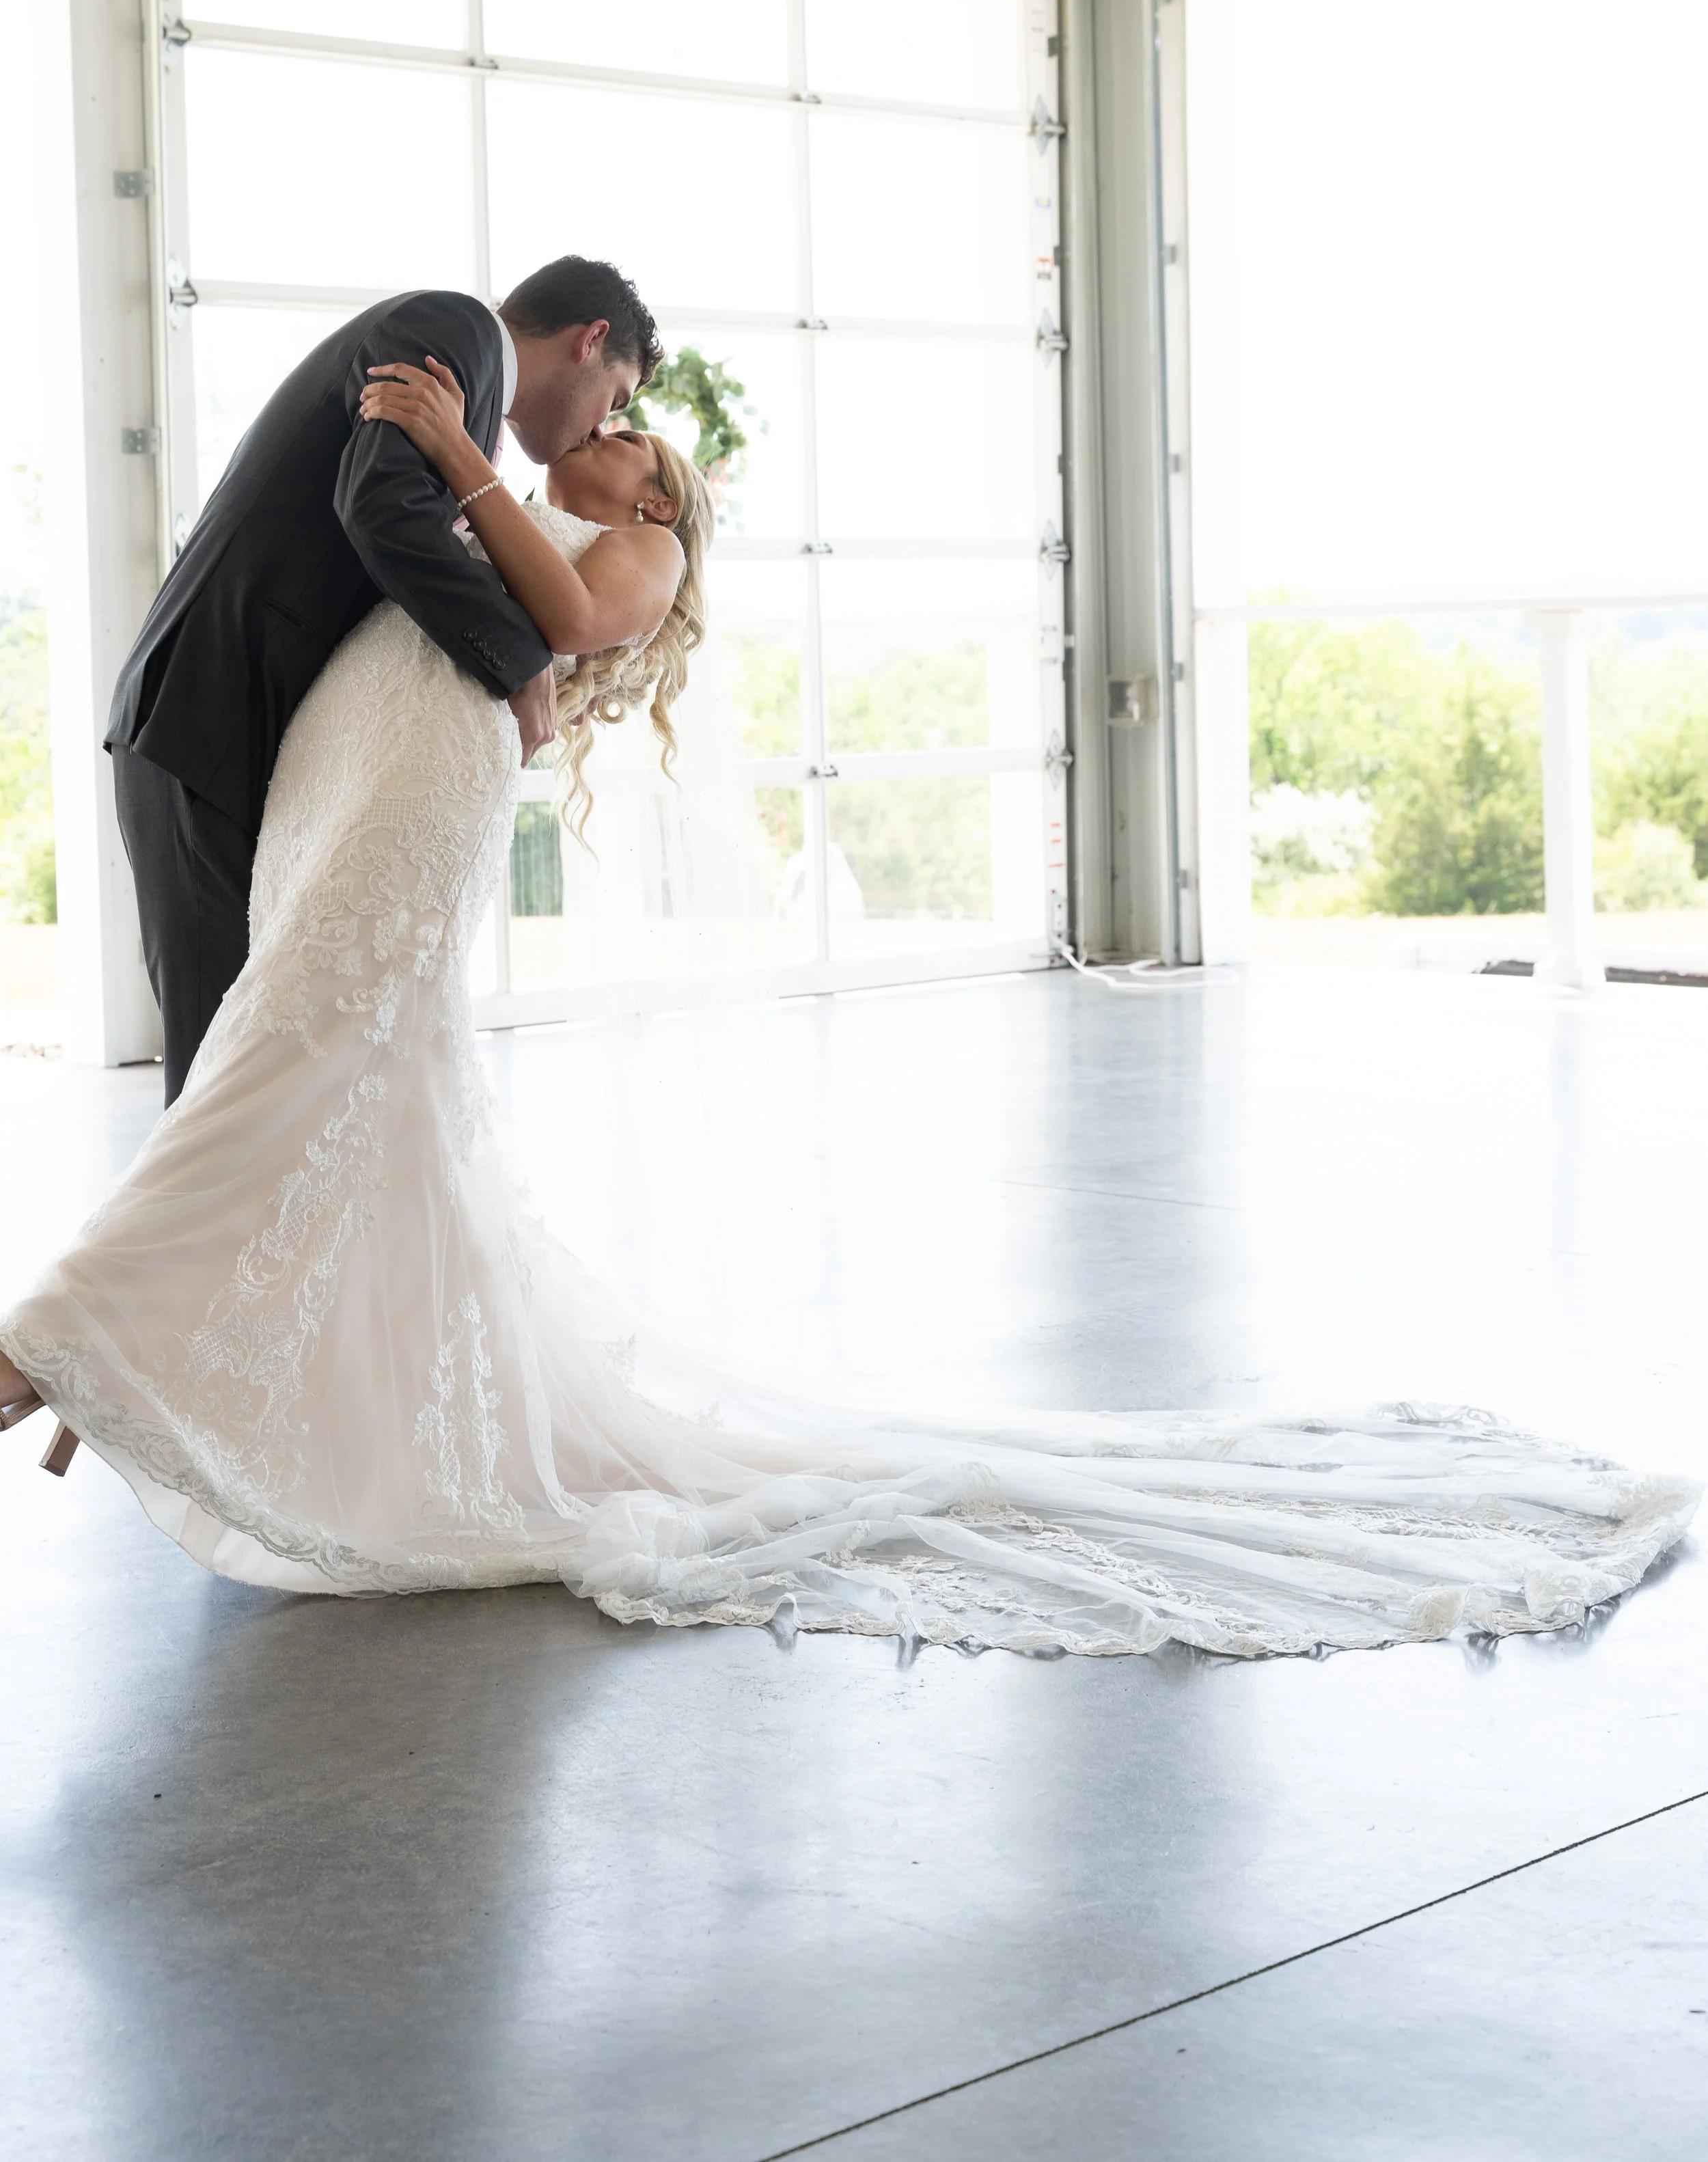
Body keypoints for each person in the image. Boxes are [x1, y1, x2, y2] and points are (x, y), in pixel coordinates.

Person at [0, 372, 1696, 1657]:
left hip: (415, 775)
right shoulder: (532, 510)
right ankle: (161, 1354)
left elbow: (568, 620)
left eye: (630, 430)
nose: (600, 428)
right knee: (332, 1076)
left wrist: (453, 454)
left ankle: (64, 1340)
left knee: (305, 1044)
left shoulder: (638, 549)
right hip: (358, 761)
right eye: (603, 414)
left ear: (657, 483)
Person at [105, 256, 655, 1106]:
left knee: (251, 1060)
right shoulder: (451, 330)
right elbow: (380, 507)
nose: (597, 430)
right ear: (590, 343)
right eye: (614, 401)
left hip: (241, 724)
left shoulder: (469, 389)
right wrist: (519, 661)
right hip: (201, 713)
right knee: (219, 1077)